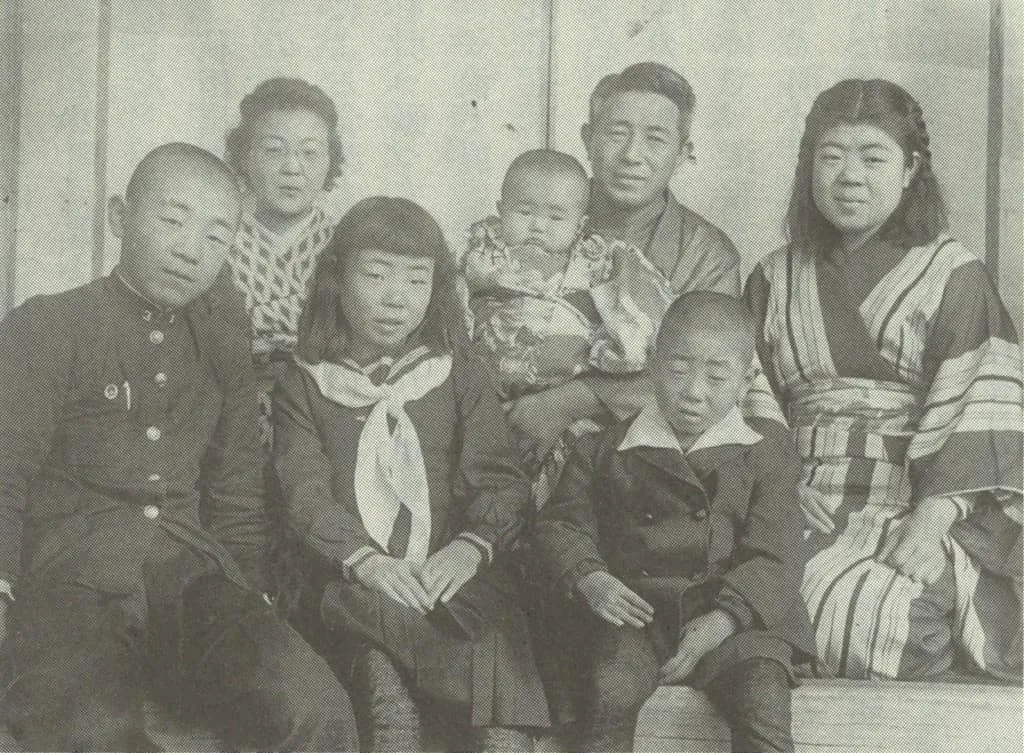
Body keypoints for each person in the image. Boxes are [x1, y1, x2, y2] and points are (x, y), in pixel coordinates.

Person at [0, 143, 358, 750]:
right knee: (94, 734)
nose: (192, 249)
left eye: (218, 235)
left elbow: (235, 480)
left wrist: (252, 594)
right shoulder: (47, 326)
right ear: (119, 217)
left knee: (313, 705)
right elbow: (4, 467)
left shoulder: (221, 338)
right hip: (69, 577)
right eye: (172, 220)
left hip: (190, 575)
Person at [745, 79, 1023, 682]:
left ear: (909, 170)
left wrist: (931, 521)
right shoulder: (774, 276)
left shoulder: (953, 274)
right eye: (831, 155)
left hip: (910, 497)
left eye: (873, 157)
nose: (850, 176)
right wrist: (777, 483)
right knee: (732, 593)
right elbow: (748, 398)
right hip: (799, 492)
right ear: (808, 166)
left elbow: (982, 407)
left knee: (886, 614)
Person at [273, 197, 551, 751]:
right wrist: (367, 561)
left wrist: (468, 549)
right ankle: (443, 680)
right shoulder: (304, 380)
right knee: (385, 693)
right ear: (338, 281)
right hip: (350, 579)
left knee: (497, 717)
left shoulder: (458, 374)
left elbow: (499, 481)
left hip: (448, 577)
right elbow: (302, 490)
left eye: (415, 281)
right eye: (375, 275)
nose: (396, 299)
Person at [534, 291, 815, 752]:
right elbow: (561, 526)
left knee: (764, 703)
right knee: (606, 695)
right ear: (652, 364)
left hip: (736, 619)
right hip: (636, 616)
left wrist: (724, 620)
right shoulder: (602, 449)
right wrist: (591, 578)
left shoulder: (766, 454)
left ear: (745, 383)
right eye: (679, 370)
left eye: (716, 376)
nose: (693, 392)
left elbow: (777, 553)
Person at [502, 63, 783, 504]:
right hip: (508, 416)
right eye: (617, 133)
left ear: (683, 151)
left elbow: (704, 374)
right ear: (587, 139)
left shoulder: (708, 254)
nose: (633, 155)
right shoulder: (537, 214)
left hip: (639, 451)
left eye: (656, 138)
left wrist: (566, 402)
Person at [463, 149, 673, 466]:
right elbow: (453, 301)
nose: (538, 226)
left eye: (556, 218)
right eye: (524, 212)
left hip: (570, 399)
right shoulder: (481, 249)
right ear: (500, 209)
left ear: (579, 224)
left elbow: (644, 320)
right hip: (483, 397)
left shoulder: (600, 260)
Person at [224, 77, 344, 449]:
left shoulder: (349, 245)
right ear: (244, 157)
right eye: (274, 150)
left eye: (310, 152)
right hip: (231, 410)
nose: (293, 168)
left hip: (330, 413)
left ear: (330, 161)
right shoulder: (219, 242)